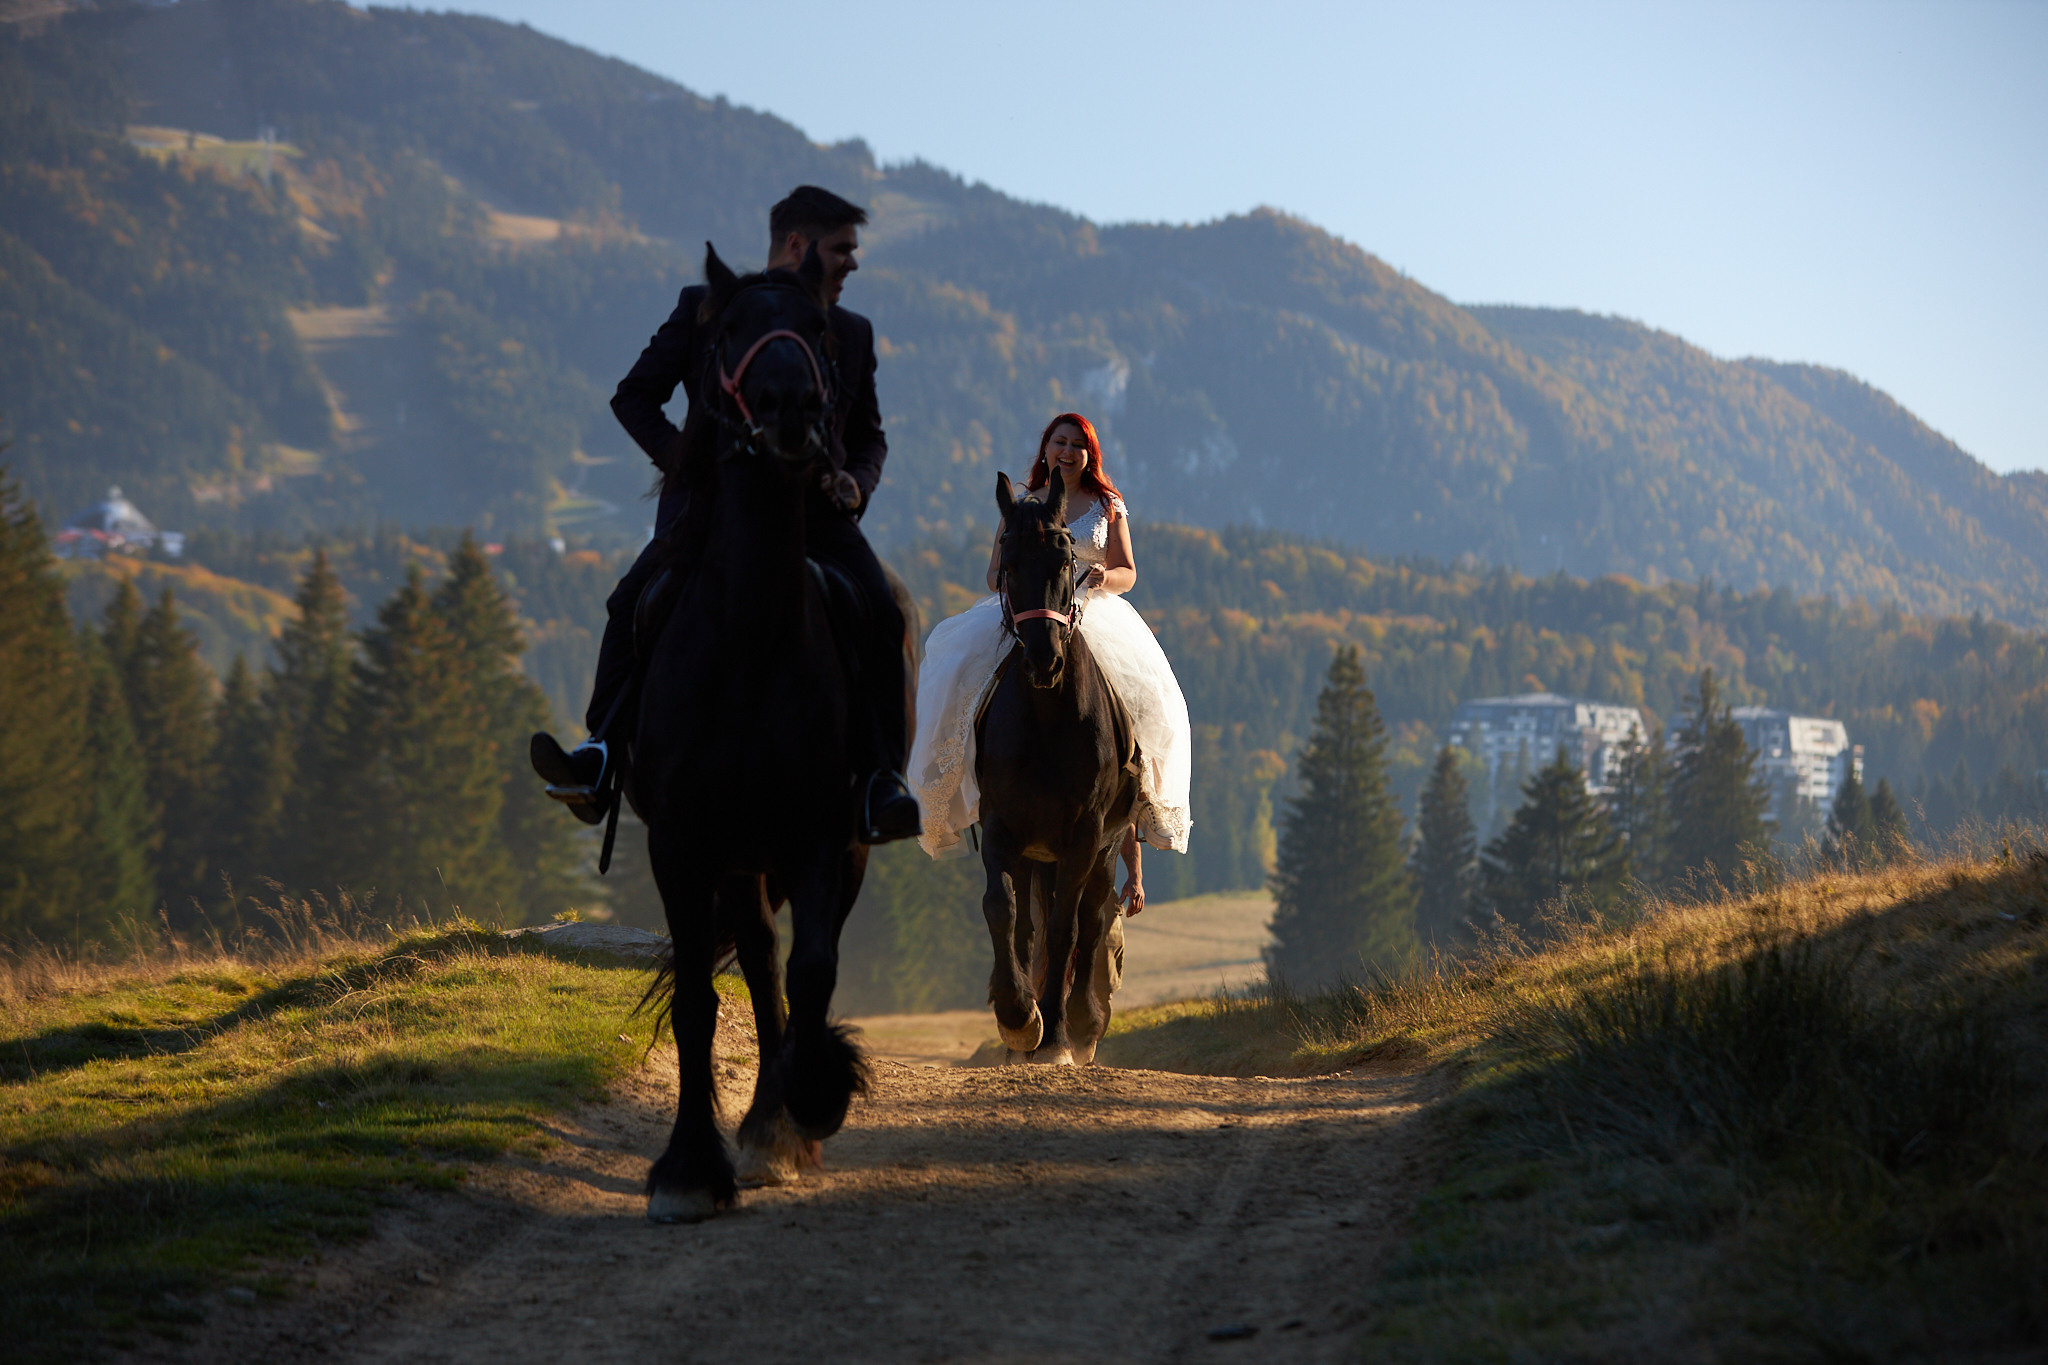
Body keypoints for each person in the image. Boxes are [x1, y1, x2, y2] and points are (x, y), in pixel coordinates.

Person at [530, 185, 920, 843]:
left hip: (818, 522)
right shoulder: (704, 308)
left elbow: (871, 434)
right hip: (714, 516)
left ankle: (882, 780)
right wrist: (686, 461)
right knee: (631, 605)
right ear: (796, 247)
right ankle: (599, 757)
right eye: (841, 251)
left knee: (885, 611)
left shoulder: (851, 332)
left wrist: (857, 480)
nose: (852, 264)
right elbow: (634, 398)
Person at [909, 412, 1193, 868]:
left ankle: (1144, 798)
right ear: (1045, 448)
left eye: (1078, 445)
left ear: (1089, 455)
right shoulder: (1023, 504)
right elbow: (992, 573)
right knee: (958, 676)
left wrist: (1101, 577)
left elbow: (1128, 572)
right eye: (1059, 441)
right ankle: (952, 782)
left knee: (1147, 696)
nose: (1067, 451)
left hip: (1092, 608)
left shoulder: (1107, 504)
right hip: (1032, 608)